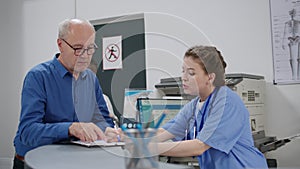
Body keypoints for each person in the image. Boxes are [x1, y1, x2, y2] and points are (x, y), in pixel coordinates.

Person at [13, 18, 120, 169]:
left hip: (71, 162)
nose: (85, 55)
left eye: (90, 48)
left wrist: (108, 131)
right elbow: (28, 132)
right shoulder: (38, 77)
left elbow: (101, 119)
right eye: (78, 48)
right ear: (60, 45)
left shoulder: (90, 79)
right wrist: (70, 128)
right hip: (33, 163)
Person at [156, 46, 268, 169]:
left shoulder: (227, 102)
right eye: (183, 71)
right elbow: (166, 132)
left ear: (210, 77)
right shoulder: (194, 105)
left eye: (191, 73)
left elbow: (199, 146)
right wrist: (135, 139)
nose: (184, 77)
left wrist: (149, 148)